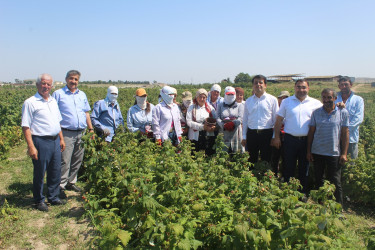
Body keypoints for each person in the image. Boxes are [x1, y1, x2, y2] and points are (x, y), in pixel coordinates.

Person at [21, 74, 66, 211]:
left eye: (48, 84)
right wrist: (31, 146)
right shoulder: (30, 102)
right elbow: (26, 126)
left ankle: (53, 197)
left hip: (55, 140)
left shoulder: (53, 101)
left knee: (55, 170)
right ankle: (39, 200)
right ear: (37, 85)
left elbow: (57, 122)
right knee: (40, 172)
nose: (46, 86)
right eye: (43, 83)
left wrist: (61, 138)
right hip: (41, 141)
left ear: (52, 86)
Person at [272, 79, 322, 194]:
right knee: (288, 167)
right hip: (290, 140)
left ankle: (302, 192)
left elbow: (328, 109)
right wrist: (277, 137)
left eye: (303, 87)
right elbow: (279, 120)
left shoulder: (315, 103)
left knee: (304, 168)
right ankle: (288, 192)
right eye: (298, 87)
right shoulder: (287, 102)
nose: (301, 90)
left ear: (308, 89)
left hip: (306, 141)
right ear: (295, 88)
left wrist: (340, 105)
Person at [52, 70, 94, 199]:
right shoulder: (58, 94)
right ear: (66, 79)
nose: (73, 81)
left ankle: (71, 181)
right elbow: (54, 115)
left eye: (76, 79)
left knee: (78, 158)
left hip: (81, 132)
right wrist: (59, 135)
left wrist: (91, 129)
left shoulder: (82, 95)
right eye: (71, 79)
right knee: (65, 159)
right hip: (66, 132)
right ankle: (60, 185)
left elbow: (86, 113)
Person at [307, 88, 349, 204]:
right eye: (324, 97)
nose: (326, 100)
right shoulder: (316, 113)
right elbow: (311, 132)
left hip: (334, 153)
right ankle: (320, 204)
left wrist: (344, 153)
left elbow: (345, 133)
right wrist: (309, 151)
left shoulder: (342, 112)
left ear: (335, 98)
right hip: (318, 152)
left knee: (335, 181)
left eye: (329, 97)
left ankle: (338, 208)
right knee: (319, 180)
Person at [241, 75, 279, 164]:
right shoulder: (248, 101)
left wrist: (274, 136)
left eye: (260, 82)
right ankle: (251, 177)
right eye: (255, 83)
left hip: (267, 134)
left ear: (265, 85)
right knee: (251, 160)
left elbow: (276, 119)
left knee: (267, 159)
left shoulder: (272, 100)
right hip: (252, 133)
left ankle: (265, 177)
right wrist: (244, 136)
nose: (258, 84)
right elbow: (245, 119)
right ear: (253, 85)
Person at [335, 76, 364, 159]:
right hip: (335, 138)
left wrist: (344, 132)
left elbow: (358, 119)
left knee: (351, 164)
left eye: (346, 84)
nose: (344, 87)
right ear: (339, 86)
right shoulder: (334, 98)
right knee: (335, 164)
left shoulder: (358, 100)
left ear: (351, 85)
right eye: (342, 85)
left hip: (351, 138)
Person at [186, 89, 217, 155]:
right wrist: (202, 127)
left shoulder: (210, 108)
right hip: (195, 135)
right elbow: (189, 121)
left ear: (206, 98)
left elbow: (215, 119)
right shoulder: (191, 107)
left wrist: (213, 126)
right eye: (200, 97)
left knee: (207, 153)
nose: (202, 99)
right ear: (196, 97)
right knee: (194, 153)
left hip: (207, 135)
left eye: (204, 97)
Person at [217, 87, 244, 153]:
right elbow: (217, 118)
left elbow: (241, 118)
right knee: (223, 152)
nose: (230, 96)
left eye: (232, 94)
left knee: (236, 153)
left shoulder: (239, 106)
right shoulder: (220, 105)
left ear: (234, 94)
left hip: (236, 132)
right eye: (228, 94)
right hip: (224, 132)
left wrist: (233, 124)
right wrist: (223, 125)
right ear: (225, 94)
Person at [271, 90, 290, 175]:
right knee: (275, 157)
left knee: (286, 158)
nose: (283, 100)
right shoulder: (275, 108)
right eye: (281, 98)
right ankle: (274, 174)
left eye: (285, 98)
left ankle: (284, 176)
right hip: (276, 135)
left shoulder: (290, 108)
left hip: (286, 136)